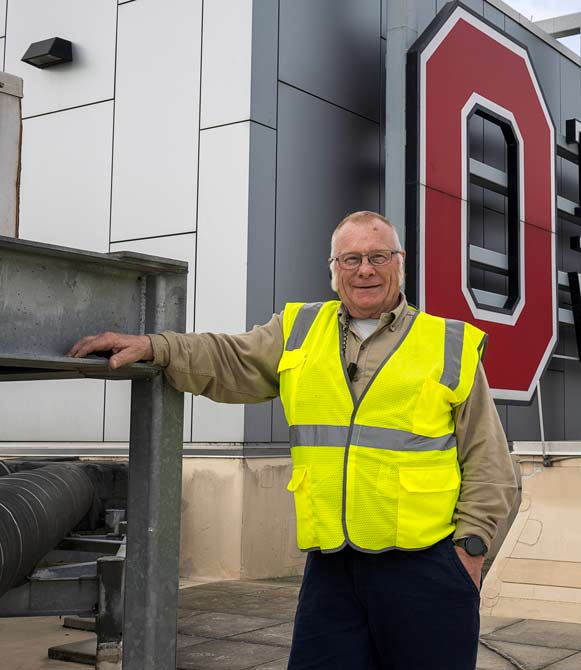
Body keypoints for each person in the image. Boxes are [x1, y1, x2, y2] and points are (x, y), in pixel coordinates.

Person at [68, 211, 517, 670]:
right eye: (351, 258)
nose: (365, 269)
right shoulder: (299, 328)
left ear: (400, 263)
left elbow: (489, 461)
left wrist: (470, 551)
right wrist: (155, 346)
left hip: (427, 567)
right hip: (332, 568)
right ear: (333, 269)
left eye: (378, 256)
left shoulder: (446, 343)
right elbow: (227, 357)